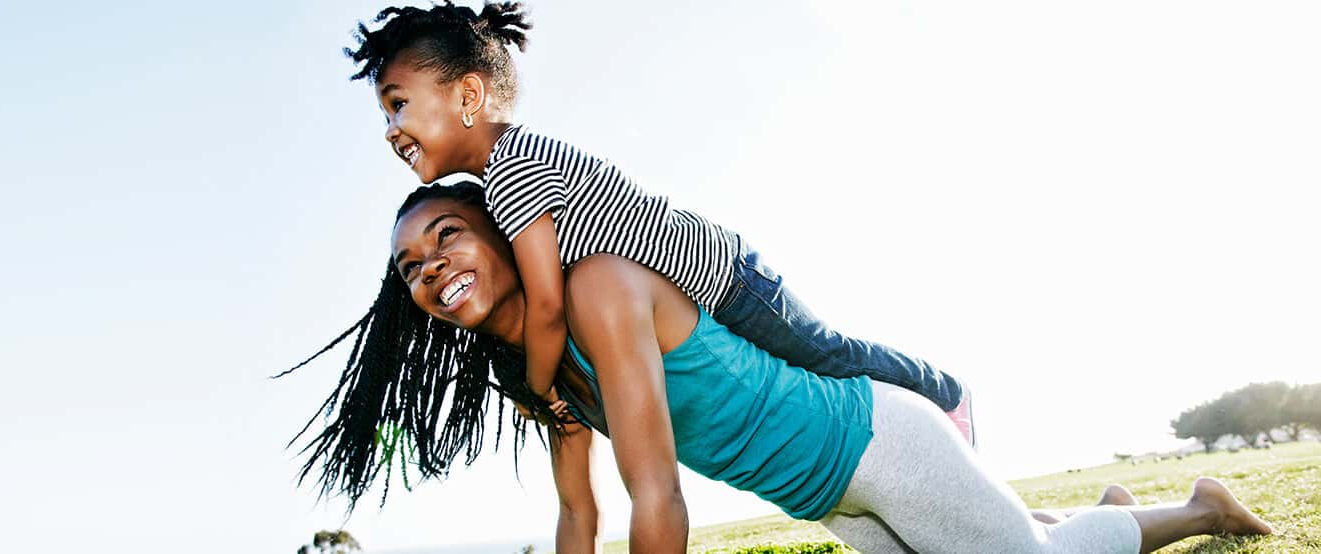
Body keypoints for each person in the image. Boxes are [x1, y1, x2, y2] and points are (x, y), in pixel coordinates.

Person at [283, 182, 1274, 553]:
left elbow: (653, 488)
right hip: (830, 497)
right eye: (411, 266)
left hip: (872, 439)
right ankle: (1087, 512)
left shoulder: (591, 287)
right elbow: (580, 512)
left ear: (502, 231)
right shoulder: (532, 362)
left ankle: (1197, 502)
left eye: (445, 234)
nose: (430, 269)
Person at [341, 1, 974, 444]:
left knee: (825, 354)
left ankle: (944, 392)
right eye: (384, 114)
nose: (391, 129)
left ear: (468, 97)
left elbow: (548, 307)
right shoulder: (508, 166)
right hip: (691, 297)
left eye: (397, 105)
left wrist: (538, 388)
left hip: (726, 279)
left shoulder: (510, 169)